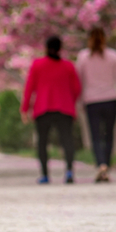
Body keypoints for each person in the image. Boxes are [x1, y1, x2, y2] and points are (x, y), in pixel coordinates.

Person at [20, 36, 82, 184]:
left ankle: (45, 175)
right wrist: (70, 101)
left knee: (42, 142)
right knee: (67, 141)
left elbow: (29, 88)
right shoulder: (68, 66)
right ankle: (69, 172)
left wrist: (24, 109)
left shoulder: (37, 65)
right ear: (61, 48)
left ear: (45, 47)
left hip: (43, 108)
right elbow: (77, 88)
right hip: (65, 109)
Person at [76, 27, 116, 182]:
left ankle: (100, 164)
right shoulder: (113, 56)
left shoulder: (83, 57)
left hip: (91, 101)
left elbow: (79, 81)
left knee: (95, 136)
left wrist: (79, 102)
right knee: (109, 135)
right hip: (110, 100)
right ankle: (107, 165)